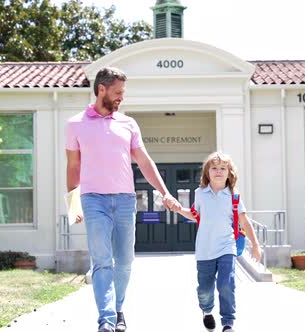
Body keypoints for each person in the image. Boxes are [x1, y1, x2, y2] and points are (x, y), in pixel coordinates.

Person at [65, 67, 181, 332]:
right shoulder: (75, 124)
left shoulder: (128, 124)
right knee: (102, 260)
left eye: (123, 93)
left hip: (126, 200)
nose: (121, 98)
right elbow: (73, 166)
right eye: (117, 92)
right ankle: (106, 320)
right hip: (93, 200)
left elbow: (144, 160)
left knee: (125, 260)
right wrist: (73, 205)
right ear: (101, 89)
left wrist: (165, 192)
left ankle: (118, 310)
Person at [173, 151, 262, 332]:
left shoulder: (234, 196)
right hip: (204, 249)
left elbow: (244, 221)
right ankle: (207, 312)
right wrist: (179, 209)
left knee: (225, 284)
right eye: (214, 168)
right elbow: (195, 214)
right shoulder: (200, 193)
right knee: (204, 290)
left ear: (230, 173)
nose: (218, 171)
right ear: (207, 172)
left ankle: (228, 322)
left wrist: (256, 245)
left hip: (226, 247)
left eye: (223, 168)